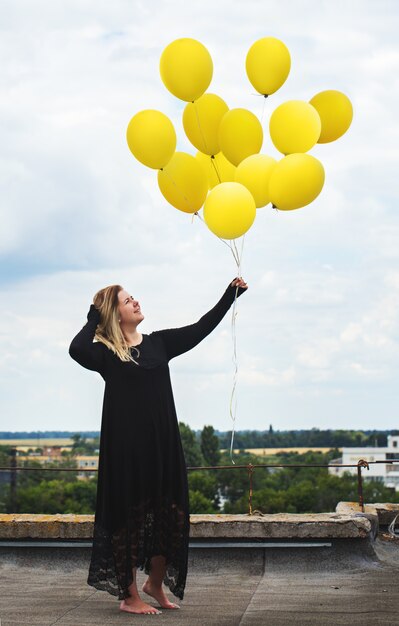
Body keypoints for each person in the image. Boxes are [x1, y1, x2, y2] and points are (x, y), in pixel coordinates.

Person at [68, 276, 248, 615]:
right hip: (126, 451)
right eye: (127, 300)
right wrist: (94, 314)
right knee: (129, 521)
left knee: (172, 515)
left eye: (134, 297)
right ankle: (129, 596)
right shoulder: (106, 354)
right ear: (114, 313)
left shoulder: (159, 343)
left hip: (163, 445)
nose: (136, 302)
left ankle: (155, 583)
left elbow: (201, 328)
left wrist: (230, 295)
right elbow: (76, 349)